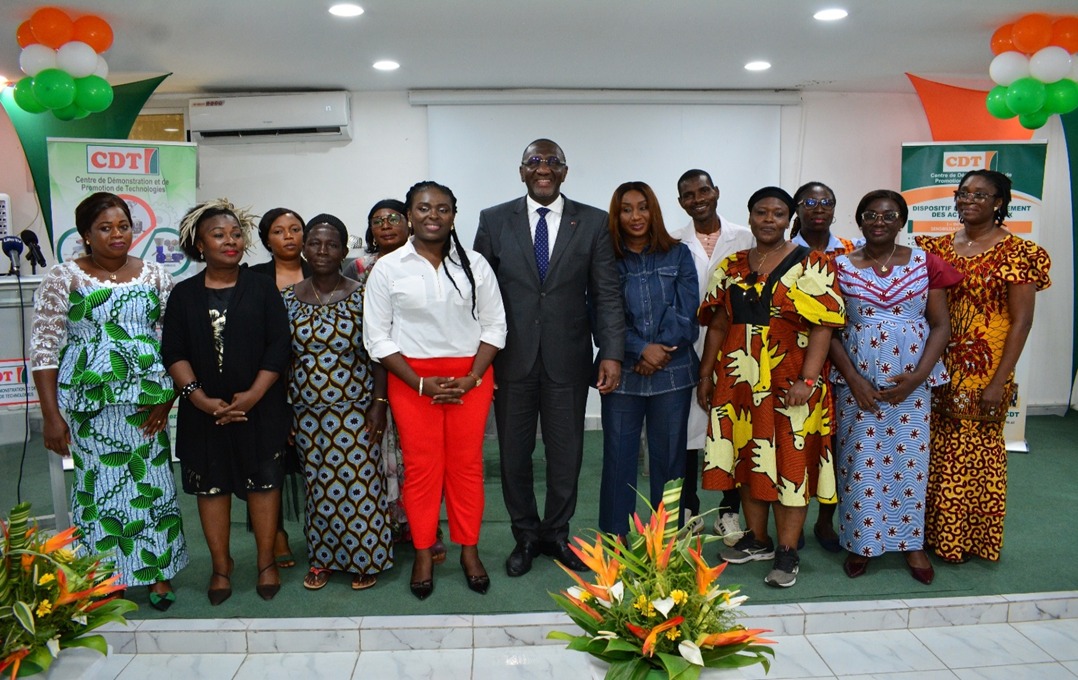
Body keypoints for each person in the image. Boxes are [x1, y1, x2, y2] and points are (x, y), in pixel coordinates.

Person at [31, 192, 188, 612]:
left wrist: (168, 397)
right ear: (85, 234)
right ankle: (106, 577)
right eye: (105, 228)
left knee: (151, 487)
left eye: (123, 226)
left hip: (147, 402)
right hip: (88, 403)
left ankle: (157, 574)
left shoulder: (156, 276)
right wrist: (50, 417)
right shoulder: (63, 277)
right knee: (96, 490)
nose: (117, 235)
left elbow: (173, 344)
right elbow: (44, 349)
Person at [474, 138, 624, 577]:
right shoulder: (494, 220)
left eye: (552, 162)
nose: (544, 168)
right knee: (514, 455)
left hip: (569, 359)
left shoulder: (593, 222)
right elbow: (479, 294)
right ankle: (525, 534)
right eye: (534, 162)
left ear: (565, 171)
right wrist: (480, 360)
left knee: (566, 454)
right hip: (510, 359)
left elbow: (606, 293)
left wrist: (610, 352)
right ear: (521, 171)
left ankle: (556, 533)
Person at [697, 186, 845, 588]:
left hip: (790, 380)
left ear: (789, 219)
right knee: (747, 457)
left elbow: (823, 327)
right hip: (738, 380)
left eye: (778, 214)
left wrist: (808, 380)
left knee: (790, 465)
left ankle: (787, 550)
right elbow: (719, 324)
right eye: (761, 212)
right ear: (749, 218)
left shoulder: (813, 263)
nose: (768, 220)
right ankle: (757, 539)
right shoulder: (731, 265)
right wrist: (706, 373)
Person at [365, 181, 506, 600]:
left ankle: (469, 550)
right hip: (411, 382)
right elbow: (377, 337)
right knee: (423, 472)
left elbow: (495, 326)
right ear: (410, 215)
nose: (432, 215)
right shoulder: (389, 268)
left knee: (466, 468)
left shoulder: (475, 264)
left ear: (453, 215)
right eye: (423, 208)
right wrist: (420, 383)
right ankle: (424, 552)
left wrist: (474, 377)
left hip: (470, 380)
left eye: (442, 209)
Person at [916, 170, 1051, 564]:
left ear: (999, 202)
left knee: (974, 453)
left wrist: (999, 381)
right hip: (937, 364)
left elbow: (1021, 322)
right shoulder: (936, 249)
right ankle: (928, 534)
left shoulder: (1019, 253)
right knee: (935, 449)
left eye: (981, 194)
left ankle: (966, 539)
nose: (969, 200)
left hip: (984, 369)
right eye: (963, 193)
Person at [162, 199, 291, 604]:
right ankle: (221, 565)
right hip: (205, 414)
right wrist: (197, 399)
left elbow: (279, 344)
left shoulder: (262, 286)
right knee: (211, 488)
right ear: (200, 245)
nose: (230, 241)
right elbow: (174, 352)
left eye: (236, 234)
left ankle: (266, 561)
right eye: (219, 235)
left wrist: (253, 395)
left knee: (263, 483)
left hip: (261, 408)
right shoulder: (183, 294)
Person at [830, 190, 960, 585]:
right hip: (857, 382)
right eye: (870, 214)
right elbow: (828, 330)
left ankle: (911, 543)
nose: (879, 221)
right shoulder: (837, 266)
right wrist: (854, 380)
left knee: (911, 464)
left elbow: (941, 325)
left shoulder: (925, 263)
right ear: (859, 220)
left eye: (889, 215)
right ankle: (860, 541)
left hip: (912, 382)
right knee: (857, 461)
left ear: (901, 220)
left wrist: (918, 378)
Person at [284, 214, 394, 592]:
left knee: (360, 483)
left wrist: (379, 402)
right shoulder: (288, 299)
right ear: (304, 248)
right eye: (314, 243)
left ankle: (367, 557)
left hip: (356, 408)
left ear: (345, 250)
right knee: (318, 488)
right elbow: (283, 358)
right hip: (306, 411)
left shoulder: (363, 295)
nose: (322, 251)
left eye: (332, 244)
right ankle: (323, 558)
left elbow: (379, 353)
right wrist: (286, 411)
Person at [598, 182, 699, 538]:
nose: (636, 216)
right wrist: (640, 348)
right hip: (621, 373)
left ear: (653, 210)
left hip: (672, 373)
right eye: (626, 209)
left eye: (642, 207)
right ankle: (615, 535)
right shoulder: (605, 257)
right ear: (617, 215)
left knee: (669, 460)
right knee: (618, 457)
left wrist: (655, 352)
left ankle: (665, 535)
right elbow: (601, 312)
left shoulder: (678, 254)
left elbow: (687, 312)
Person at [669, 169, 755, 542]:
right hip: (686, 346)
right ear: (681, 202)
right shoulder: (672, 240)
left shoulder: (747, 237)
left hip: (736, 346)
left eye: (703, 190)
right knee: (686, 432)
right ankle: (688, 509)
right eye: (688, 194)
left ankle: (728, 511)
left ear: (716, 191)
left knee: (731, 430)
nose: (697, 198)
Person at [789, 181, 853, 554]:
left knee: (835, 445)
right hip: (797, 361)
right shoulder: (785, 252)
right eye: (809, 202)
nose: (818, 208)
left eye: (826, 201)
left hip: (846, 362)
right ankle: (790, 519)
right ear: (797, 208)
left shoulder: (849, 251)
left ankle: (826, 520)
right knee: (797, 446)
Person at [248, 206, 310, 570]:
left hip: (314, 383)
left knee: (314, 463)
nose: (288, 236)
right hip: (267, 384)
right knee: (267, 464)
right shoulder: (253, 278)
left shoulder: (322, 269)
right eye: (278, 231)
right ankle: (275, 536)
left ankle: (322, 533)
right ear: (266, 240)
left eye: (295, 229)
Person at [343, 199, 408, 281]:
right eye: (377, 222)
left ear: (409, 223)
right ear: (371, 230)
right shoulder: (358, 267)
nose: (385, 226)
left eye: (393, 220)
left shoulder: (423, 260)